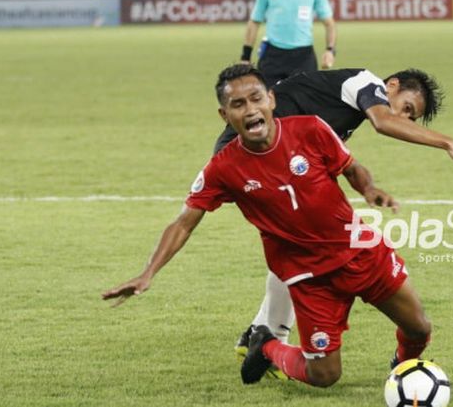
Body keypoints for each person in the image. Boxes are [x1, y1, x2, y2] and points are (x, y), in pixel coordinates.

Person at [102, 65, 432, 388]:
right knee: (325, 376)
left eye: (256, 99)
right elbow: (183, 224)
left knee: (419, 328)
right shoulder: (223, 169)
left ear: (272, 99)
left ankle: (404, 371)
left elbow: (351, 168)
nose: (250, 110)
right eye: (238, 104)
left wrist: (369, 189)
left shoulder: (312, 129)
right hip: (309, 277)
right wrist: (148, 273)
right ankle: (267, 345)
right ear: (224, 116)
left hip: (359, 251)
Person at [211, 66, 453, 369]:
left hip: (263, 158)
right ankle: (267, 337)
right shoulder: (363, 81)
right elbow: (384, 122)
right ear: (391, 85)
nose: (404, 118)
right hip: (248, 158)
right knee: (301, 244)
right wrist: (449, 143)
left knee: (297, 244)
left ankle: (262, 336)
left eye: (411, 117)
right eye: (406, 107)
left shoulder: (339, 114)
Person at [240, 0, 336, 87]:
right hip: (273, 55)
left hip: (304, 56)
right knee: (267, 103)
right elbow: (254, 22)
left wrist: (330, 50)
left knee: (305, 105)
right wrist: (245, 57)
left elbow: (329, 24)